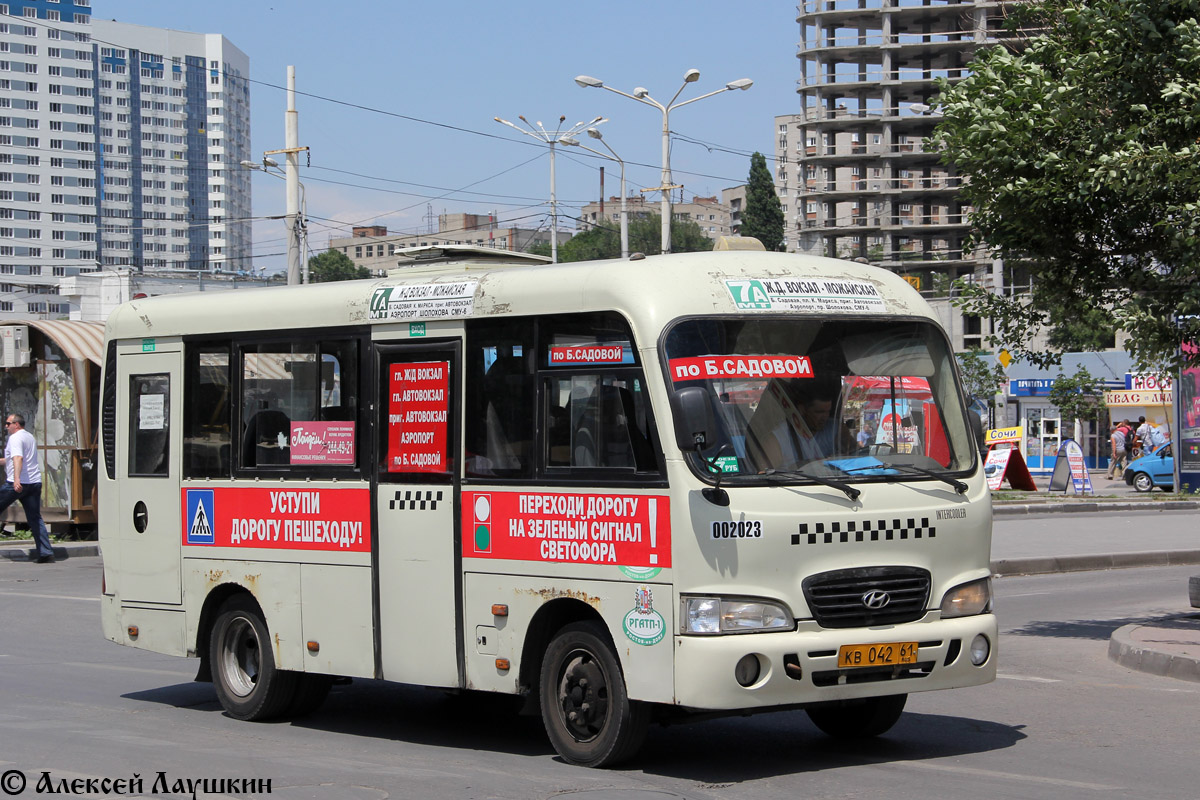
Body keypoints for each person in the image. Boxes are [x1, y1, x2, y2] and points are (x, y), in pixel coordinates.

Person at [0, 414, 53, 563]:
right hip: (34, 483)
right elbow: (12, 459)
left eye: (8, 423)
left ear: (16, 424)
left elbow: (18, 458)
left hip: (17, 484)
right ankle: (45, 552)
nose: (6, 426)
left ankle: (45, 551)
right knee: (35, 518)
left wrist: (16, 479)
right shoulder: (29, 437)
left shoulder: (15, 438)